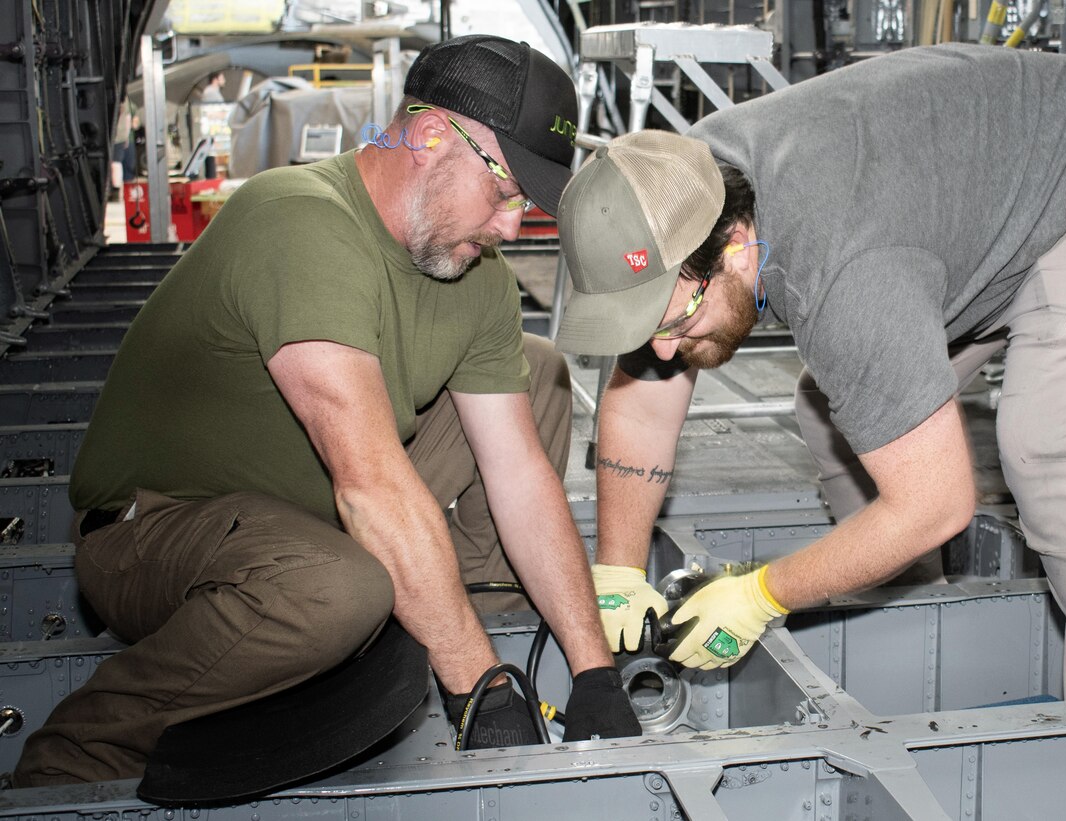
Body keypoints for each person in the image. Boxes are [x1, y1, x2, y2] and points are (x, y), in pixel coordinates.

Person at [15, 35, 637, 787]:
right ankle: (77, 753)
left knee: (537, 374)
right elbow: (369, 483)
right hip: (158, 531)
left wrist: (594, 667)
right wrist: (481, 686)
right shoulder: (298, 220)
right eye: (506, 192)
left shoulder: (474, 276)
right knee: (338, 587)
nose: (510, 226)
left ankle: (459, 609)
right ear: (434, 135)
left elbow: (518, 472)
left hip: (303, 514)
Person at [556, 44, 1066, 698]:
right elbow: (644, 398)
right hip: (987, 201)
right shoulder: (672, 194)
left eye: (676, 323)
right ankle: (927, 619)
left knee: (1053, 452)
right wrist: (616, 570)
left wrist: (762, 593)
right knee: (832, 412)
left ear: (732, 244)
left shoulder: (841, 273)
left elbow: (939, 503)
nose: (663, 353)